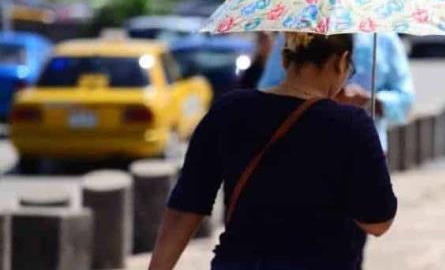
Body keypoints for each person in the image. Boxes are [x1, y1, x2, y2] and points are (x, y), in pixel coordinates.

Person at [149, 33, 397, 270]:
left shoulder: (229, 110)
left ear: (284, 59)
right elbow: (378, 223)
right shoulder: (352, 124)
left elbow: (186, 207)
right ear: (341, 61)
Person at [257, 33, 414, 151]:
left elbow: (406, 99)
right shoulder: (296, 35)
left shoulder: (384, 38)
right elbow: (269, 88)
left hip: (365, 146)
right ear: (342, 62)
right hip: (301, 143)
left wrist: (372, 100)